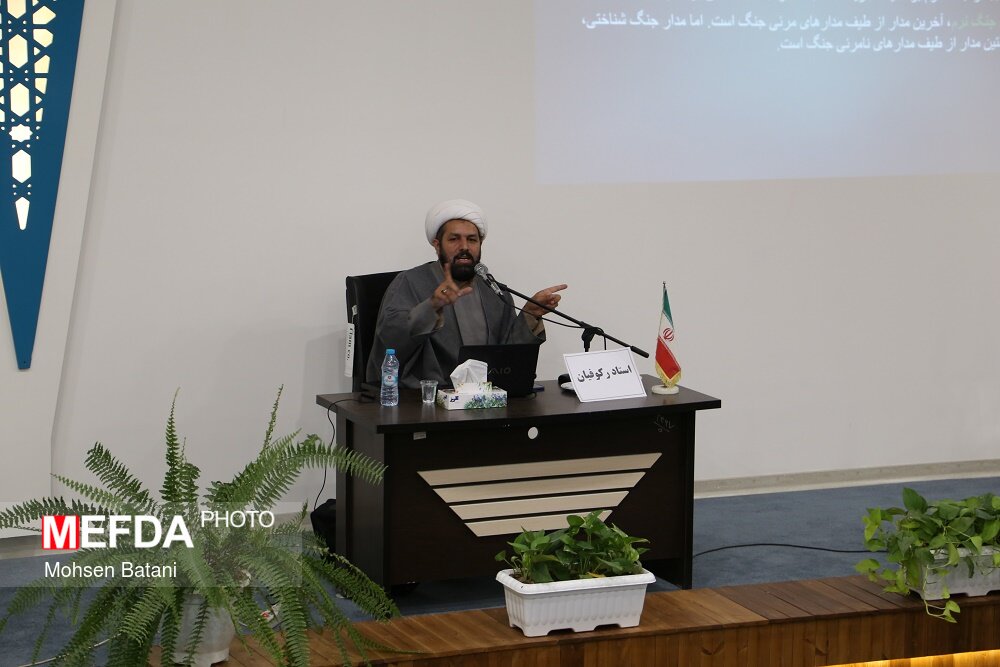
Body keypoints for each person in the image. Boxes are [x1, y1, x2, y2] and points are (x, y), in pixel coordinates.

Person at [366, 199, 567, 390]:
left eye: (472, 240)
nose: (464, 247)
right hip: (426, 399)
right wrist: (432, 306)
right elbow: (390, 342)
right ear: (437, 245)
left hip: (486, 399)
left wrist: (530, 314)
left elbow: (507, 357)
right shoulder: (410, 282)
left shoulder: (494, 291)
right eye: (454, 239)